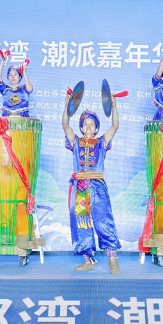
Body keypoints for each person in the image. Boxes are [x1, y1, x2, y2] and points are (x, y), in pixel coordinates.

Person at [61, 94, 122, 274]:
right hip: (80, 187)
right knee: (82, 222)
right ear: (81, 127)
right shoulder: (75, 141)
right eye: (85, 124)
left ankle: (112, 259)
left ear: (96, 128)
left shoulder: (102, 142)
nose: (88, 126)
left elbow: (115, 126)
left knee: (104, 220)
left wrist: (114, 107)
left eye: (92, 124)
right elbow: (65, 125)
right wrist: (67, 107)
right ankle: (87, 260)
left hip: (97, 186)